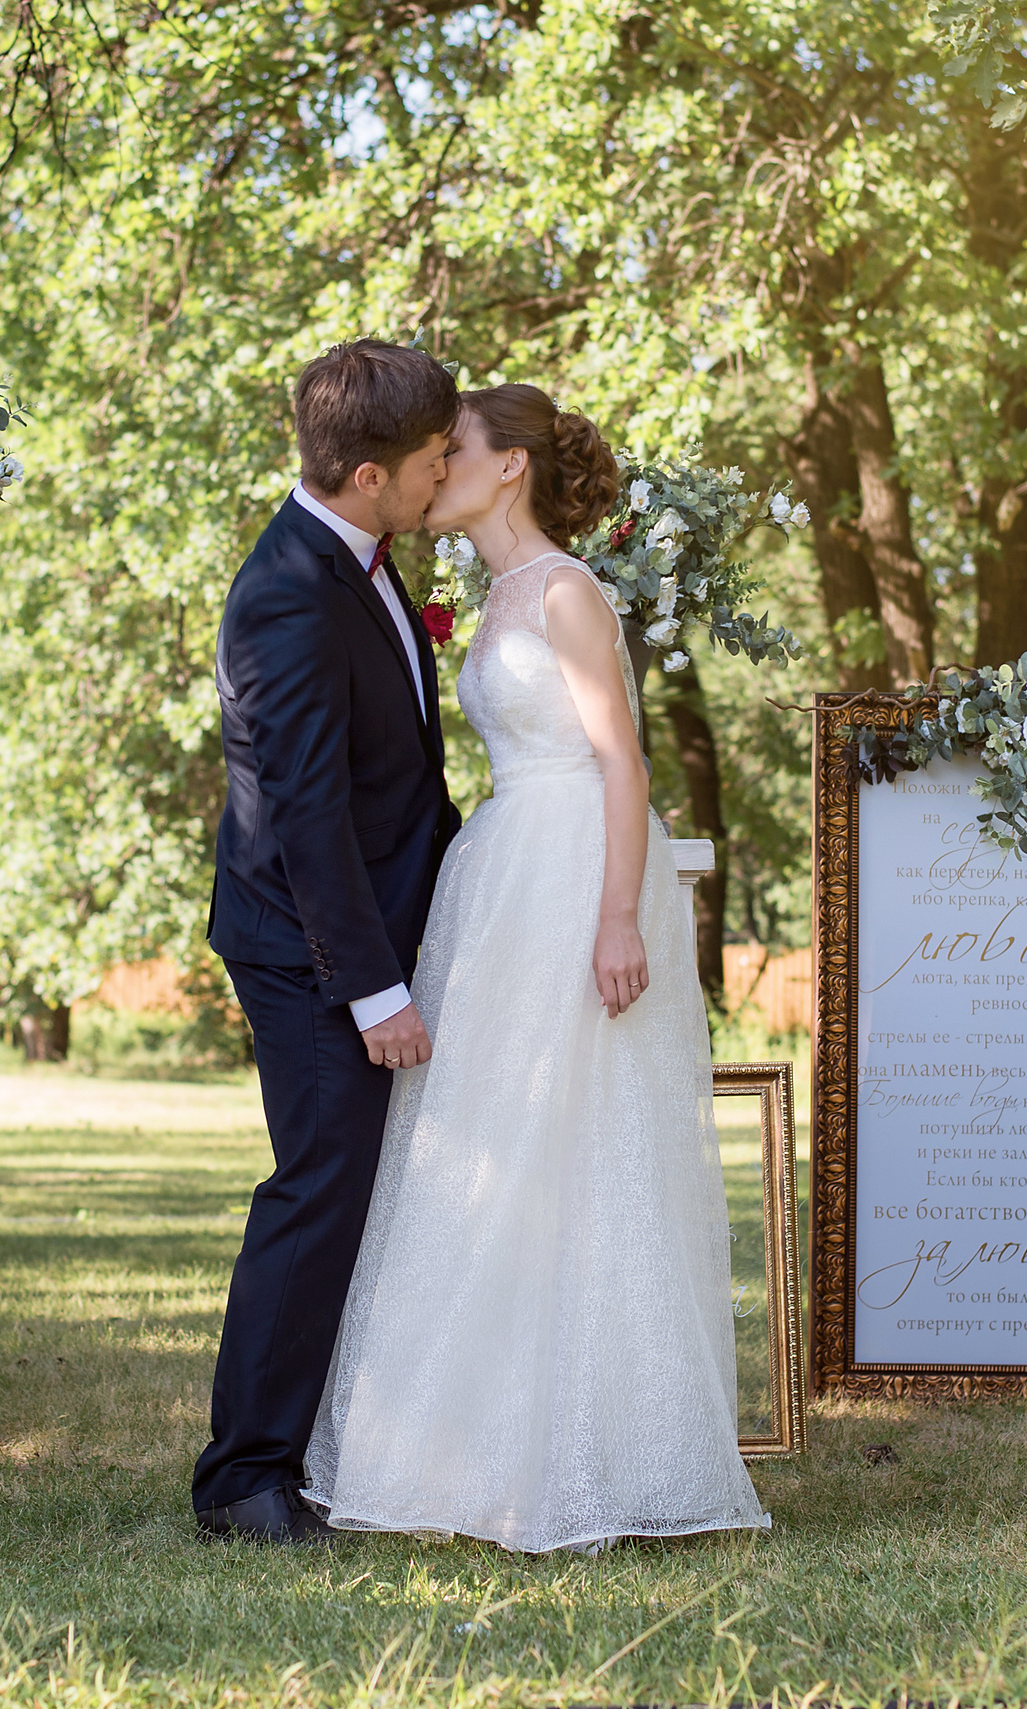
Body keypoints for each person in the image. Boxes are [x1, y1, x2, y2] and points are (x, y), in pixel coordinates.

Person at [299, 384, 768, 1552]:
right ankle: (465, 1449)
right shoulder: (493, 589)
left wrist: (620, 920)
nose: (432, 467)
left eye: (450, 450)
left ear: (508, 466)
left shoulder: (565, 591)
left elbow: (625, 767)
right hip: (503, 871)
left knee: (580, 1142)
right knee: (487, 1140)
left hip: (572, 873)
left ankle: (586, 1451)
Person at [194, 339, 463, 1542]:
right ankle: (243, 1475)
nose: (444, 472)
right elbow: (302, 813)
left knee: (349, 1194)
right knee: (314, 1194)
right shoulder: (287, 591)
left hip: (363, 924)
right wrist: (372, 990)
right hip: (309, 948)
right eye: (431, 458)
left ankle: (316, 1443)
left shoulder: (362, 556)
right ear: (366, 473)